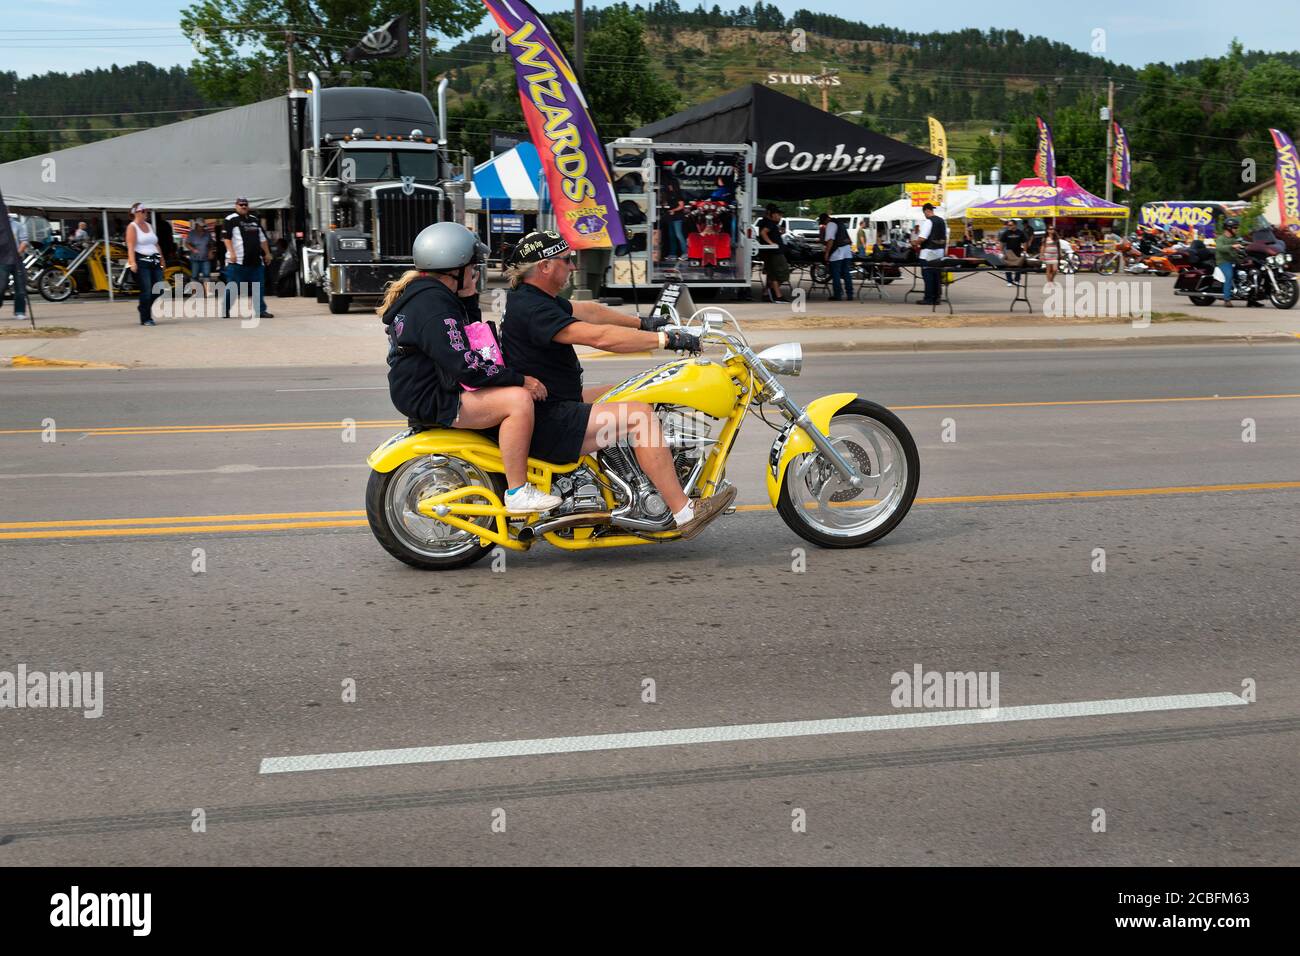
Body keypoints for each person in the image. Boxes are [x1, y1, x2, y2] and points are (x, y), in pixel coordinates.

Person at [501, 230, 736, 539]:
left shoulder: (535, 299)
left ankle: (630, 484)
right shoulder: (534, 309)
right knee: (640, 417)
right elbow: (599, 337)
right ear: (544, 266)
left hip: (555, 403)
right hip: (551, 418)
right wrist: (666, 339)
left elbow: (592, 312)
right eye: (567, 260)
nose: (572, 267)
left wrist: (646, 322)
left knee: (633, 389)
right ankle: (684, 511)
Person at [379, 222, 562, 514]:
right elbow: (466, 365)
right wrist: (520, 380)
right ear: (455, 268)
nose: (476, 272)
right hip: (434, 396)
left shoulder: (430, 296)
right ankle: (517, 492)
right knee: (518, 401)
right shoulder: (433, 306)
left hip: (428, 388)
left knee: (511, 390)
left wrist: (468, 299)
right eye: (473, 266)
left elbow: (471, 337)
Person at [221, 197, 273, 319]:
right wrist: (231, 252)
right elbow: (226, 238)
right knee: (233, 287)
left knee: (258, 286)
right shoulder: (230, 220)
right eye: (241, 205)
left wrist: (267, 253)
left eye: (245, 204)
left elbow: (262, 238)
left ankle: (260, 310)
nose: (243, 206)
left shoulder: (254, 220)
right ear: (236, 206)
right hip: (237, 262)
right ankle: (226, 309)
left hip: (255, 261)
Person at [125, 202, 163, 326]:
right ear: (136, 212)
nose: (146, 213)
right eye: (144, 211)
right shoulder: (132, 227)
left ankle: (143, 307)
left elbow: (155, 243)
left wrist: (162, 258)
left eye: (146, 211)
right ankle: (146, 318)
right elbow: (130, 246)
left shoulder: (149, 226)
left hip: (154, 260)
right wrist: (132, 262)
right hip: (141, 260)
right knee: (146, 290)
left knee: (159, 289)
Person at [913, 203, 947, 305]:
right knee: (936, 275)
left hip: (928, 252)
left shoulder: (929, 221)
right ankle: (937, 297)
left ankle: (929, 298)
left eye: (924, 213)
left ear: (927, 211)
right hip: (939, 251)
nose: (925, 215)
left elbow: (923, 238)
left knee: (928, 275)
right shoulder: (942, 221)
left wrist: (914, 243)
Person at [756, 204, 791, 303]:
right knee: (781, 273)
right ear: (771, 214)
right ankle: (775, 293)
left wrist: (779, 234)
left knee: (772, 273)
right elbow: (763, 233)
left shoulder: (765, 222)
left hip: (770, 252)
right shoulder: (769, 223)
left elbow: (767, 233)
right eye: (778, 214)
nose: (779, 217)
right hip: (774, 252)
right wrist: (771, 243)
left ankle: (768, 292)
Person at [1215, 217, 1250, 308]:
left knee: (1249, 274)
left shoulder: (1236, 238)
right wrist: (1232, 246)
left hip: (1235, 260)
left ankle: (1251, 299)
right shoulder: (1221, 238)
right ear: (1229, 228)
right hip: (1224, 261)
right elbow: (1219, 248)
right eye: (1235, 227)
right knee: (1229, 276)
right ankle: (1227, 300)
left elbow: (1243, 243)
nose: (1237, 229)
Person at [1, 210, 29, 322]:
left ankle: (20, 311)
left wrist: (18, 253)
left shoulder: (17, 225)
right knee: (1, 286)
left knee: (20, 287)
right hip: (2, 261)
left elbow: (24, 241)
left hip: (17, 260)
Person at [819, 212, 854, 300]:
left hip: (837, 252)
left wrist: (826, 253)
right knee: (846, 274)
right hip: (847, 251)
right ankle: (850, 295)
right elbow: (848, 238)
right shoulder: (840, 223)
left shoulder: (831, 224)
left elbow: (830, 240)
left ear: (825, 220)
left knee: (836, 274)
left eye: (823, 223)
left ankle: (838, 295)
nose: (824, 225)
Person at [186, 217, 213, 296]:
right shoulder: (191, 233)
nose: (201, 227)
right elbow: (187, 243)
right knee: (194, 276)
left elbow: (211, 244)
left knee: (207, 275)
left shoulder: (207, 233)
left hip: (205, 258)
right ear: (196, 225)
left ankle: (207, 292)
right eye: (200, 225)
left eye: (202, 225)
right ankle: (195, 293)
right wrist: (193, 249)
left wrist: (210, 251)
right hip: (195, 258)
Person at [997, 218, 1028, 285]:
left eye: (1010, 225)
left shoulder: (1020, 232)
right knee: (1008, 266)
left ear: (1015, 225)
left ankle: (1017, 280)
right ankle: (1009, 281)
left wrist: (1024, 251)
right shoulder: (1006, 232)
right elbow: (1002, 242)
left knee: (1018, 266)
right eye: (1008, 225)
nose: (1009, 226)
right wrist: (1001, 252)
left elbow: (1025, 242)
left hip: (1018, 251)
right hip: (1008, 251)